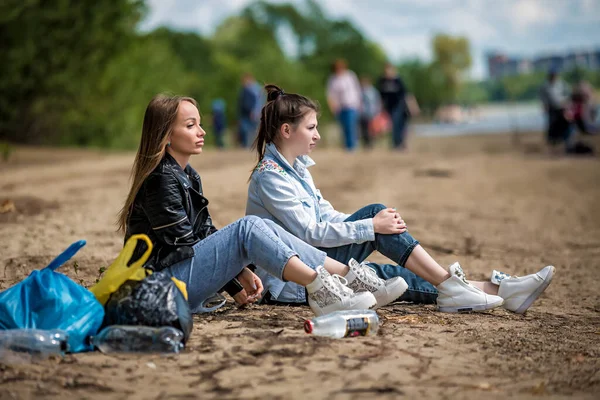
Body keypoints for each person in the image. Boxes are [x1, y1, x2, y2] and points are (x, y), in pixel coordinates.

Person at [246, 84, 556, 314]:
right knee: (377, 217)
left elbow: (324, 215)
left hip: (320, 263)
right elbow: (308, 233)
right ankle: (460, 287)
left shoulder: (295, 168)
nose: (318, 136)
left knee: (397, 276)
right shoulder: (271, 176)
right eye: (312, 128)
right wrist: (371, 226)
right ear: (287, 131)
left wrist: (371, 226)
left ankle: (499, 289)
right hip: (294, 282)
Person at [116, 93, 411, 317]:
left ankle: (342, 280)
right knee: (249, 227)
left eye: (200, 124)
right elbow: (183, 246)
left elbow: (204, 233)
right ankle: (323, 287)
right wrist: (233, 276)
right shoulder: (161, 180)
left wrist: (237, 278)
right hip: (161, 285)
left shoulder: (187, 175)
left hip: (180, 279)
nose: (202, 131)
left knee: (261, 227)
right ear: (167, 135)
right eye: (191, 125)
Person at [326, 59, 362, 151]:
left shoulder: (350, 75)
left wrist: (359, 103)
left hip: (351, 105)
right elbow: (330, 94)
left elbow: (357, 90)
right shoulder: (332, 79)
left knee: (350, 125)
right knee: (344, 126)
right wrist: (332, 106)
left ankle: (352, 146)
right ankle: (347, 145)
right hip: (340, 107)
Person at [539, 68, 573, 153]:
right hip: (551, 109)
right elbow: (542, 97)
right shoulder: (545, 85)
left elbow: (568, 94)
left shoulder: (562, 84)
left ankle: (567, 142)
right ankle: (552, 143)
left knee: (566, 124)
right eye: (552, 74)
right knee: (552, 125)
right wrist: (544, 105)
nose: (553, 76)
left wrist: (567, 104)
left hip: (562, 108)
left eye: (555, 74)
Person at [377, 63, 410, 150]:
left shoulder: (398, 80)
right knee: (392, 125)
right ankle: (396, 143)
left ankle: (398, 143)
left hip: (399, 105)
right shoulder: (382, 81)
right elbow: (381, 95)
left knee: (398, 124)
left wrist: (412, 107)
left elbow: (406, 94)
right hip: (389, 106)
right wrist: (381, 107)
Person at [238, 73, 262, 148]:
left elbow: (258, 102)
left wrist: (255, 111)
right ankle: (247, 144)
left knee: (252, 129)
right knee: (246, 129)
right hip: (246, 113)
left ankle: (251, 145)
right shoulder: (245, 89)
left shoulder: (255, 89)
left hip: (252, 113)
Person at [359, 76, 382, 149]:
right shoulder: (360, 91)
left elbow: (377, 102)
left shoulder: (373, 91)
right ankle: (366, 144)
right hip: (363, 114)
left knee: (372, 130)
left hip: (372, 113)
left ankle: (371, 143)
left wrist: (377, 112)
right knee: (364, 130)